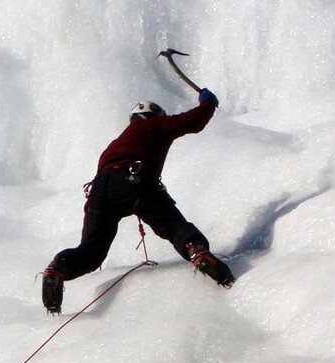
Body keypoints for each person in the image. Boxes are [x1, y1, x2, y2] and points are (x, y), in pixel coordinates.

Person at [40, 87, 234, 314]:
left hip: (100, 191)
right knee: (174, 227)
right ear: (151, 116)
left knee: (91, 252)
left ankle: (58, 268)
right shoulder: (152, 125)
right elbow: (193, 121)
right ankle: (197, 252)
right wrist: (207, 103)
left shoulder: (114, 145)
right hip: (134, 179)